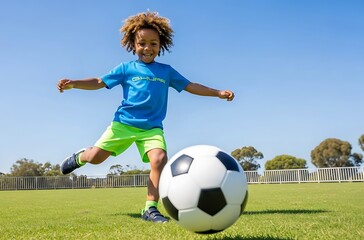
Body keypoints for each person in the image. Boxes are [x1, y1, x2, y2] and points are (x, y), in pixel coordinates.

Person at [57, 11, 234, 223]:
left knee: (159, 159)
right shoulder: (126, 68)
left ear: (161, 46)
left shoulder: (166, 71)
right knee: (95, 158)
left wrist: (217, 93)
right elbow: (98, 81)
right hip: (123, 124)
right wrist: (75, 83)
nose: (148, 48)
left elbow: (190, 86)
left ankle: (150, 208)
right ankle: (79, 157)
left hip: (152, 128)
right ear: (133, 44)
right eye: (142, 43)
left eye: (153, 44)